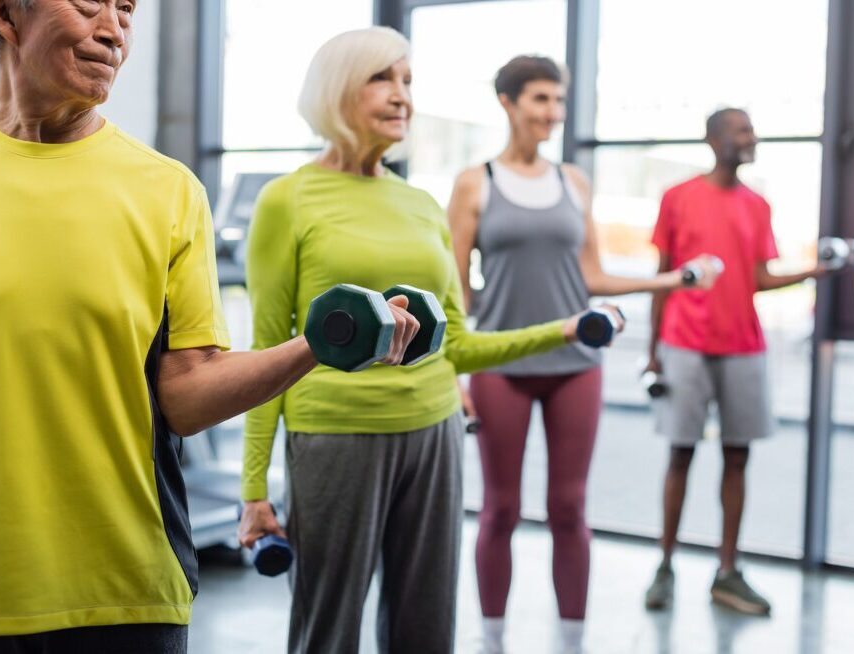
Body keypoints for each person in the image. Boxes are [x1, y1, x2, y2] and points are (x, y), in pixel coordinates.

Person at [0, 2, 417, 652]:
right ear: (4, 13)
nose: (112, 29)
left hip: (126, 593)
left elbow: (187, 395)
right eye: (87, 4)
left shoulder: (167, 191)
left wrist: (317, 344)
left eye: (126, 9)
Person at [235, 28, 625, 654]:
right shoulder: (288, 199)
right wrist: (254, 490)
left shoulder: (419, 204)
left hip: (434, 431)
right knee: (326, 628)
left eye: (409, 82)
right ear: (337, 90)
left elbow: (458, 345)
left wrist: (565, 329)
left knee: (427, 626)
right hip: (335, 436)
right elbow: (266, 353)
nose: (401, 97)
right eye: (382, 79)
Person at [447, 55, 720, 654]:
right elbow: (453, 287)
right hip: (501, 363)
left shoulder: (573, 181)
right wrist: (457, 369)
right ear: (508, 103)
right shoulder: (476, 182)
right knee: (500, 509)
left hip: (576, 365)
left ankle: (571, 641)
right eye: (540, 99)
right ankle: (491, 639)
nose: (552, 113)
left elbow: (591, 273)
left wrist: (673, 281)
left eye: (558, 101)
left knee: (569, 508)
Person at [642, 107, 829, 615]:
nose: (752, 138)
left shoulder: (758, 205)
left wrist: (816, 271)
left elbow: (759, 279)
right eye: (742, 130)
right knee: (680, 453)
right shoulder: (677, 198)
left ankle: (727, 572)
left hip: (742, 344)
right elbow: (663, 277)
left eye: (751, 129)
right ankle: (664, 567)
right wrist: (652, 351)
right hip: (684, 342)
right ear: (714, 139)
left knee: (737, 456)